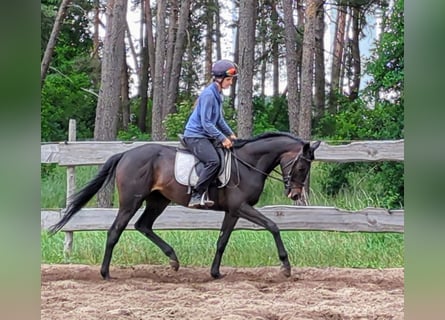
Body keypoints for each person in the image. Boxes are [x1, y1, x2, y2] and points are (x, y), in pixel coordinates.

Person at [183, 59, 238, 208]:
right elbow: (206, 123)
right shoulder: (208, 95)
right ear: (219, 79)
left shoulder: (218, 94)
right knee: (214, 161)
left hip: (205, 135)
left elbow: (219, 119)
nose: (230, 83)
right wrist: (222, 138)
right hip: (195, 136)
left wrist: (230, 134)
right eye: (228, 79)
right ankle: (196, 194)